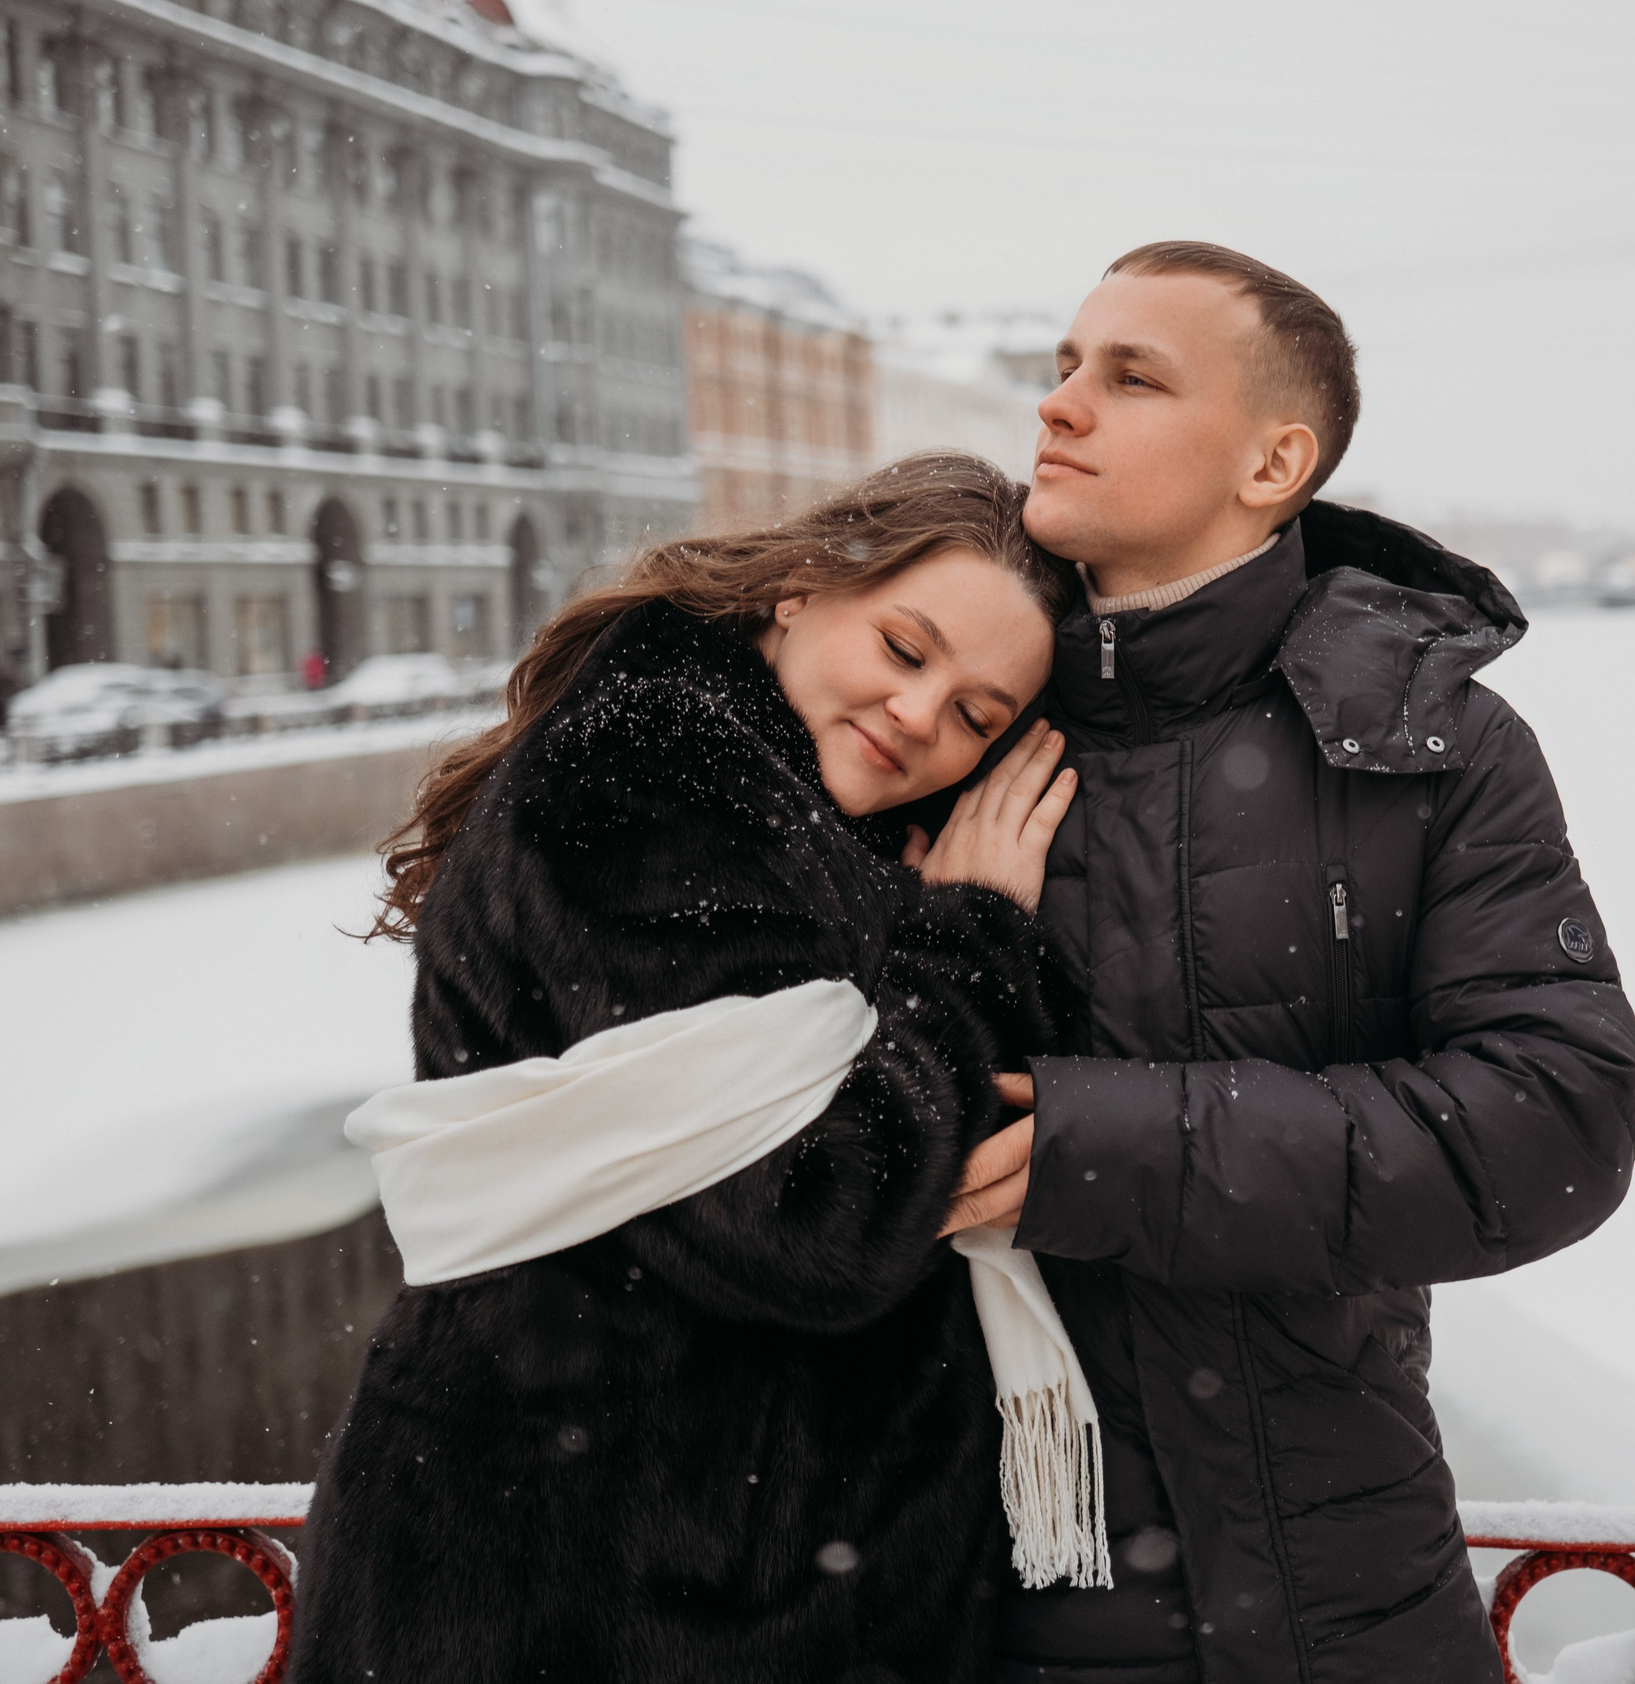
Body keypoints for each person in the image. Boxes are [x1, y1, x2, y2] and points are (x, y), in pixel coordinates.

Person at [947, 244, 1635, 1684]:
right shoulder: (941, 721)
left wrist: (1110, 1145)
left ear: (1276, 460)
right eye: (1064, 366)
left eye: (1129, 376)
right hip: (987, 1584)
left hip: (1350, 1590)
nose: (1059, 405)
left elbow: (1557, 1119)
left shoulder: (1427, 739)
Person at [291, 453, 1086, 1684]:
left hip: (658, 1565)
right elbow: (809, 1216)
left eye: (978, 714)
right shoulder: (650, 777)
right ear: (800, 591)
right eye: (905, 647)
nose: (923, 715)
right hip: (591, 1589)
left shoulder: (789, 799)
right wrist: (970, 940)